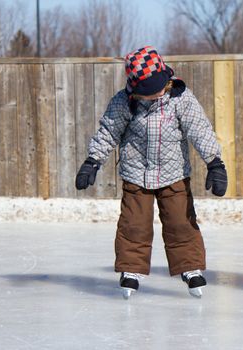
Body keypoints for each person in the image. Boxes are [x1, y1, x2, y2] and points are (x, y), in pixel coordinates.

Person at [74, 46, 227, 299]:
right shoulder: (124, 102)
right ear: (136, 88)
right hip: (136, 175)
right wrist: (93, 161)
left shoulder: (181, 99)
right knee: (133, 225)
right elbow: (108, 132)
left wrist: (215, 163)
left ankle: (190, 267)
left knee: (181, 222)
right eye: (148, 90)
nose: (155, 93)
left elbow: (200, 130)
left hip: (174, 174)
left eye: (157, 86)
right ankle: (131, 270)